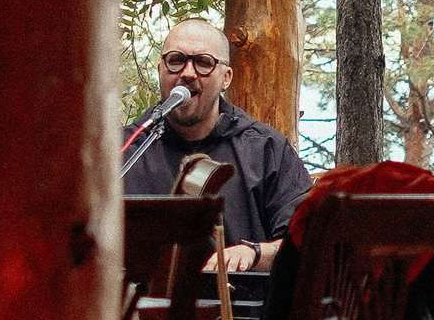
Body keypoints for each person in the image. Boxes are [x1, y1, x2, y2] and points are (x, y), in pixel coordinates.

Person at [120, 18, 310, 271]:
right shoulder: (125, 149)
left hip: (237, 295)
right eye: (176, 60)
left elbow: (305, 243)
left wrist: (254, 253)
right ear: (160, 70)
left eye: (203, 63)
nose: (188, 73)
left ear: (226, 78)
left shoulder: (266, 149)